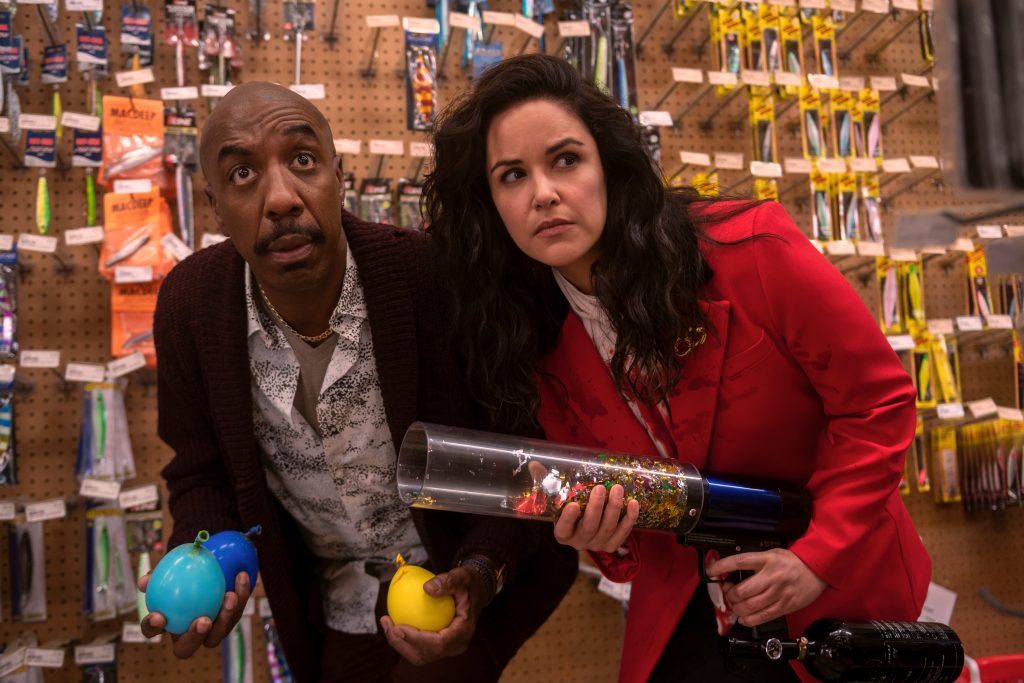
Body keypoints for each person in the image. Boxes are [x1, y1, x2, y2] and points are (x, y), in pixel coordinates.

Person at [424, 54, 932, 683]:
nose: (544, 193)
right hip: (694, 613)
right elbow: (633, 550)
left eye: (566, 160)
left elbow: (878, 404)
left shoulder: (752, 251)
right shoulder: (535, 345)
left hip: (839, 592)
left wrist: (816, 558)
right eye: (512, 175)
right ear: (491, 204)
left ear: (609, 164)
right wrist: (604, 538)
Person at [142, 81, 576, 683]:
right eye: (242, 173)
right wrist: (201, 554)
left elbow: (518, 450)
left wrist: (481, 571)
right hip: (335, 600)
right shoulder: (190, 307)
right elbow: (200, 470)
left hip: (459, 571)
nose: (281, 198)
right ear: (215, 205)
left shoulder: (431, 278)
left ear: (337, 176)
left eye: (303, 160)